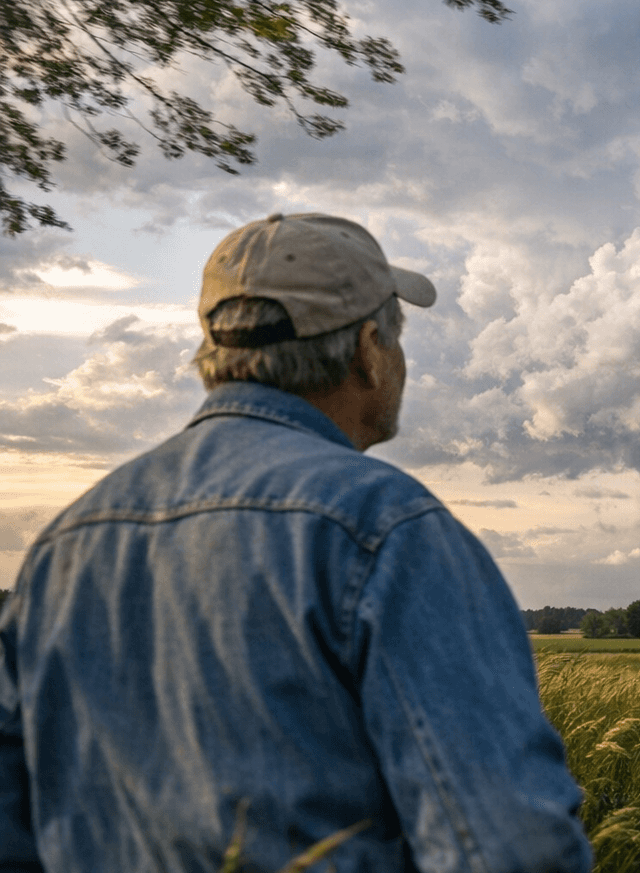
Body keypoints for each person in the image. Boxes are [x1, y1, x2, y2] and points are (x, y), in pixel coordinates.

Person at [0, 213, 591, 872]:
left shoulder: (64, 545)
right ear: (369, 350)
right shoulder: (388, 530)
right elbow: (508, 848)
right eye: (396, 339)